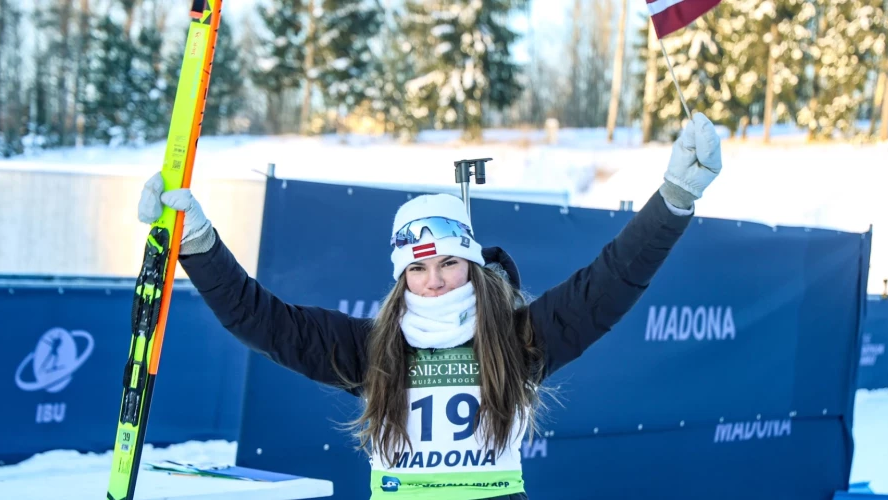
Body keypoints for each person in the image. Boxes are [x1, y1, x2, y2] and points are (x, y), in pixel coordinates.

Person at [137, 113, 723, 499]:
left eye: (447, 263)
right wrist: (198, 244)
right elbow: (260, 321)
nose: (435, 280)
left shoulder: (517, 340)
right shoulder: (372, 349)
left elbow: (609, 285)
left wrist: (673, 200)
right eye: (417, 268)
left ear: (470, 262)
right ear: (401, 278)